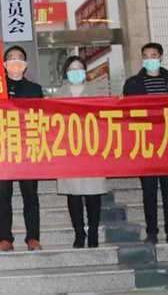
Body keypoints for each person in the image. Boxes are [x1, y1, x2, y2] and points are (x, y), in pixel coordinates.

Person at [122, 43, 168, 245]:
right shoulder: (133, 83)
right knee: (149, 191)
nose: (149, 59)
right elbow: (126, 113)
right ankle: (152, 232)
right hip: (145, 143)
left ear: (161, 58)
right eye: (146, 56)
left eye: (153, 55)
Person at [54, 56, 108, 249]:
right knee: (73, 194)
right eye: (72, 68)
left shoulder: (98, 91)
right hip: (69, 150)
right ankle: (79, 233)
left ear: (85, 71)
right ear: (66, 72)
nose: (76, 71)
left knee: (93, 194)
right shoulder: (58, 94)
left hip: (93, 149)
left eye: (79, 68)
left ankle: (93, 232)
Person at [0, 46, 44, 252]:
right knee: (3, 195)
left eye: (19, 58)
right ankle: (5, 238)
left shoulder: (35, 89)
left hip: (27, 147)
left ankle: (33, 237)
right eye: (11, 58)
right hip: (1, 148)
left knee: (30, 195)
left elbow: (43, 117)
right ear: (4, 64)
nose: (15, 61)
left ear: (25, 64)